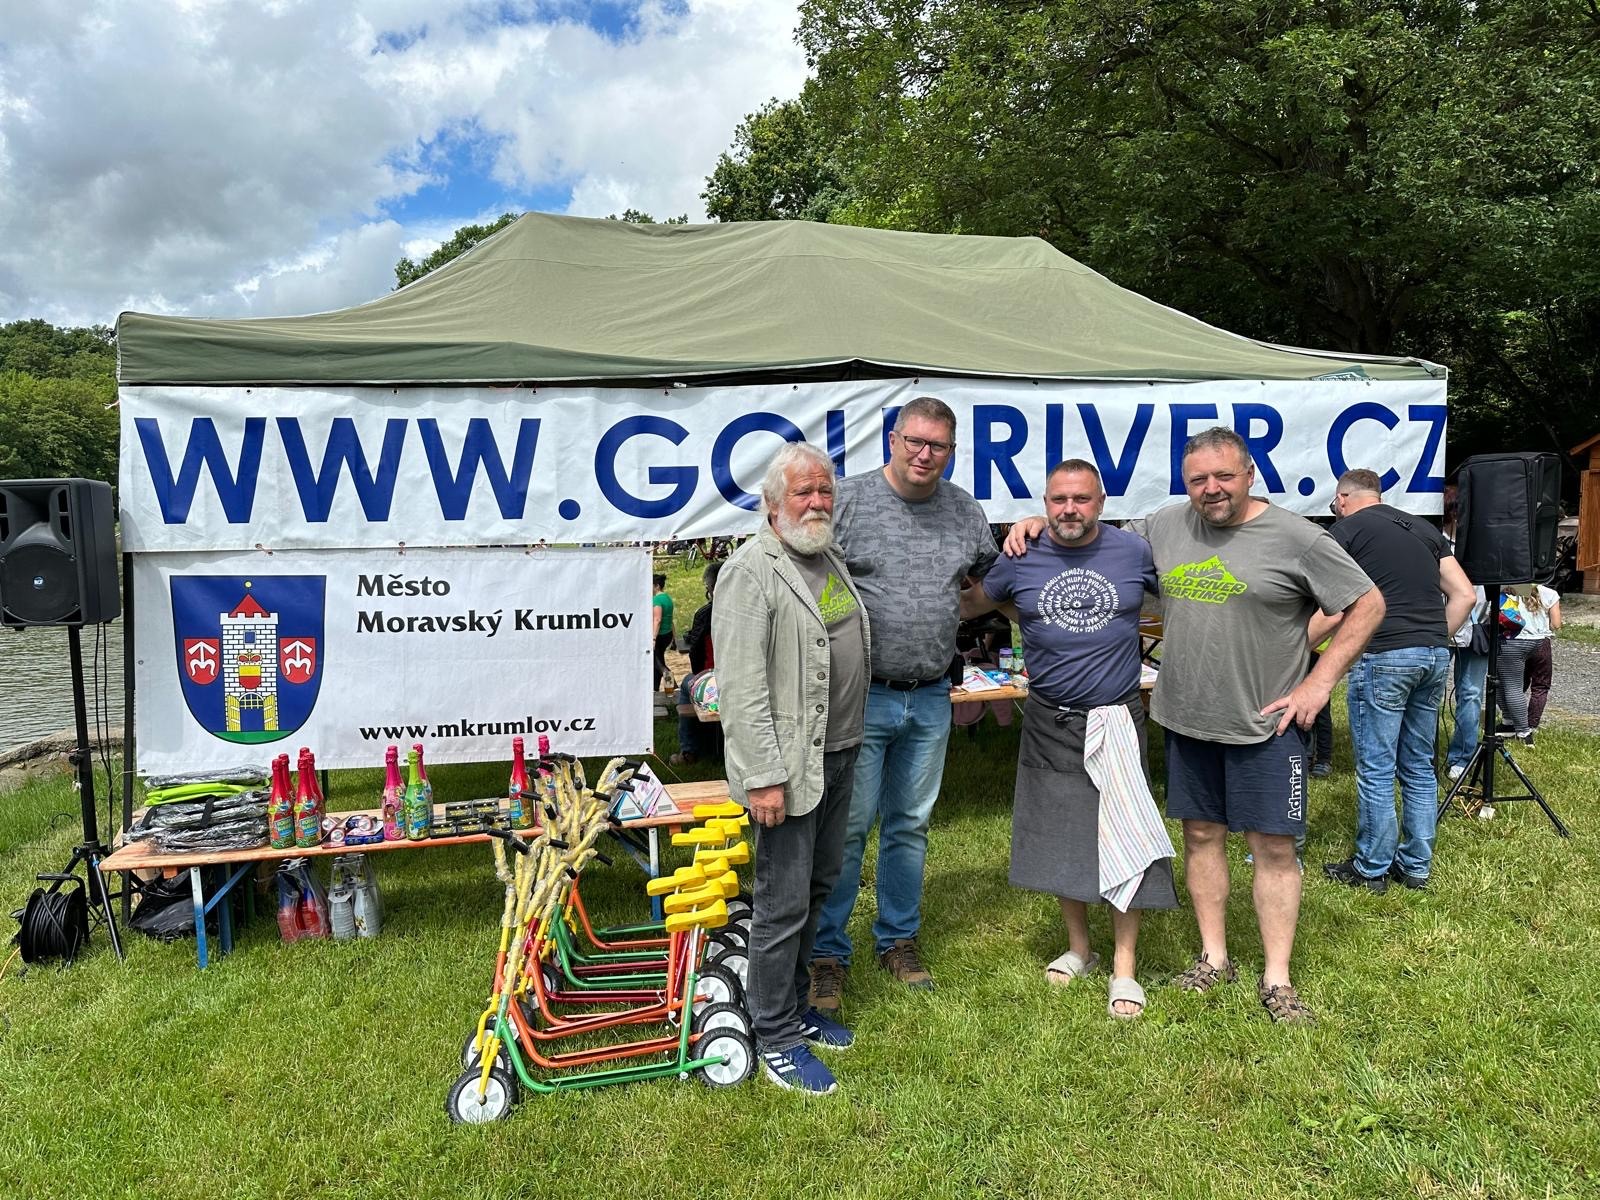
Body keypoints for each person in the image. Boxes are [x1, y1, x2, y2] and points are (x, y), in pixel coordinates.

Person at [1009, 428, 1384, 1023]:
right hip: (1185, 719)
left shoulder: (1297, 536)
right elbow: (1090, 535)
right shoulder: (1164, 526)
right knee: (1202, 837)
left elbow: (1368, 603)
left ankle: (1277, 978)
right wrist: (1038, 523)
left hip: (1265, 723)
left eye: (1224, 476)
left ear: (1250, 475)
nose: (1211, 489)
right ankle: (1214, 957)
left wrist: (1319, 681)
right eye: (1198, 479)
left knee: (1273, 847)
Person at [962, 460, 1176, 1019]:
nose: (1069, 509)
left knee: (1126, 833)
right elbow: (975, 601)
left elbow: (1184, 596)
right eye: (1058, 500)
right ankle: (1080, 948)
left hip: (1117, 717)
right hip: (1049, 720)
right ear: (1045, 503)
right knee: (1063, 834)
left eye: (1081, 499)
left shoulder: (1134, 551)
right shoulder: (1021, 554)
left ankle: (1125, 966)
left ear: (1101, 502)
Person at [808, 396, 998, 1011]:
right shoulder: (849, 501)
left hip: (933, 693)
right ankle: (826, 953)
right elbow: (803, 573)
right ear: (893, 439)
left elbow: (991, 580)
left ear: (952, 450)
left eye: (937, 445)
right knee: (848, 826)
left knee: (910, 824)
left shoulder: (965, 510)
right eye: (914, 441)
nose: (924, 454)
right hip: (860, 695)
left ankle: (897, 939)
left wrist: (1020, 540)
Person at [712, 441, 870, 1095]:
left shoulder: (825, 557)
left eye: (825, 490)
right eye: (804, 491)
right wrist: (762, 777)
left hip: (837, 753)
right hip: (787, 767)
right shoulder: (751, 571)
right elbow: (742, 687)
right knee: (781, 903)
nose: (817, 501)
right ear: (773, 503)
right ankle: (773, 1032)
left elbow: (832, 642)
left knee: (818, 887)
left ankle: (796, 1005)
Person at [1321, 469, 1475, 893]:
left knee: (1376, 766)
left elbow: (1334, 607)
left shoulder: (1346, 531)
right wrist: (1432, 637)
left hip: (1383, 655)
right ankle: (1416, 867)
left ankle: (1371, 867)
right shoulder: (1424, 530)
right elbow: (1465, 594)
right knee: (1419, 765)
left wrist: (1297, 648)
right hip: (1433, 655)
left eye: (1335, 504)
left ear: (1343, 498)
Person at [1440, 483, 1491, 779]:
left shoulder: (1484, 543)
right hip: (1441, 625)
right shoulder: (1436, 542)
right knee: (1429, 694)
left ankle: (1461, 757)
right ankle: (1421, 757)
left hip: (1477, 628)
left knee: (1471, 695)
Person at [670, 561, 722, 767]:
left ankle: (689, 750)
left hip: (715, 682)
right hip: (749, 681)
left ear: (711, 588)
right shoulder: (752, 609)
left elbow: (696, 654)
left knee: (686, 683)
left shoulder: (706, 613)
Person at [1498, 582, 1562, 744]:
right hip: (1540, 641)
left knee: (1510, 686)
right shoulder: (1549, 593)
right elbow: (1556, 624)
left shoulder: (1505, 587)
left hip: (1512, 640)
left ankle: (1520, 729)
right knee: (1540, 686)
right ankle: (1531, 723)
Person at [650, 573, 675, 691]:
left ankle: (673, 687)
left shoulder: (656, 599)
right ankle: (654, 689)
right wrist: (674, 638)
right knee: (657, 662)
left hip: (659, 636)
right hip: (668, 635)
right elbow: (671, 620)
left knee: (659, 664)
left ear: (657, 586)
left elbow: (657, 619)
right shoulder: (668, 598)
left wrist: (653, 638)